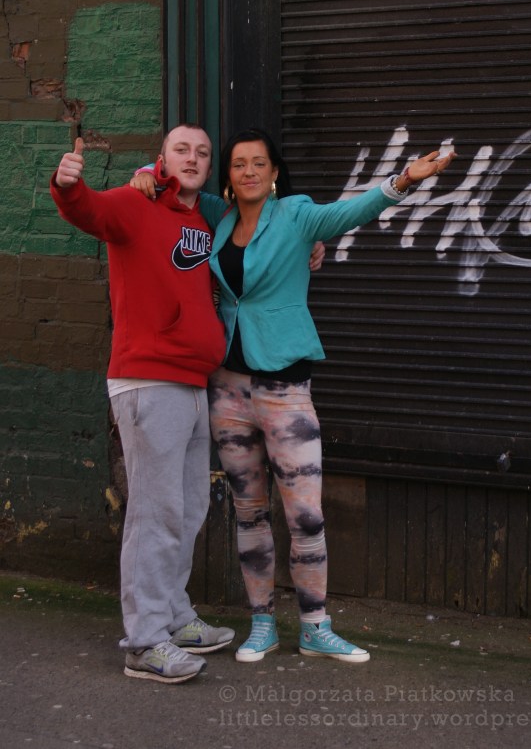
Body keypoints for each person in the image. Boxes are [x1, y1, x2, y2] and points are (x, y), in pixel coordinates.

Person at [132, 127, 456, 664]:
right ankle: (262, 624)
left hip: (285, 387)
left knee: (305, 515)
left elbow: (349, 212)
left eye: (259, 163)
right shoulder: (218, 215)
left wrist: (403, 181)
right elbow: (176, 189)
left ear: (275, 172)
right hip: (228, 388)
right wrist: (146, 173)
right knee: (249, 512)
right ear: (229, 176)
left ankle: (314, 626)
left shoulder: (298, 215)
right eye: (239, 164)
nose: (249, 172)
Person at [50, 125, 237, 683]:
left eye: (202, 153)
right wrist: (67, 185)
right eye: (182, 150)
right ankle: (145, 641)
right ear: (162, 158)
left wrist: (313, 250)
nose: (193, 158)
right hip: (148, 380)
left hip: (193, 381)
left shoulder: (204, 220)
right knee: (155, 514)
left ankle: (175, 616)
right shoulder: (135, 203)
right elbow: (89, 211)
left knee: (187, 509)